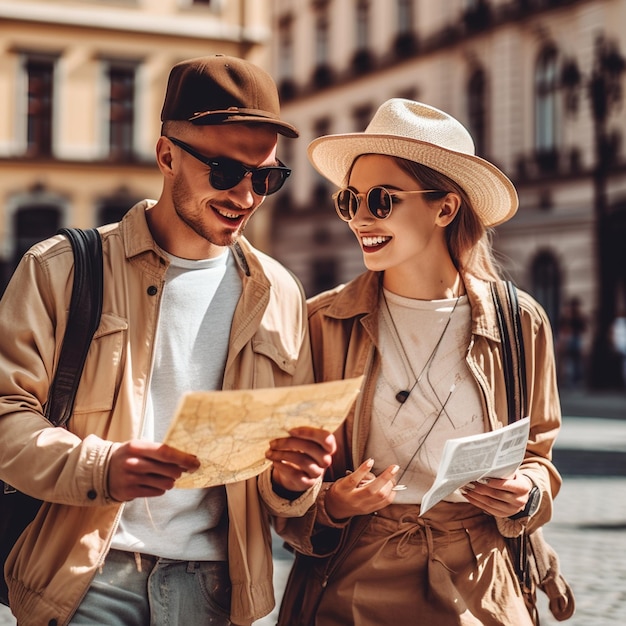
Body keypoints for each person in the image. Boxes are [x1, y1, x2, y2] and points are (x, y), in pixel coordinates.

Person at [0, 55, 337, 626]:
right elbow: (6, 414)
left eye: (266, 178)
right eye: (225, 172)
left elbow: (279, 483)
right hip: (86, 578)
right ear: (166, 156)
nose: (246, 196)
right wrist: (100, 467)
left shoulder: (279, 291)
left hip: (215, 589)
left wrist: (292, 480)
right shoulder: (60, 267)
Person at [274, 99, 563, 626]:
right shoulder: (322, 322)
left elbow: (540, 455)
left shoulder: (520, 322)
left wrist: (525, 493)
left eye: (381, 200)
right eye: (350, 201)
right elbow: (284, 477)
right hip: (352, 580)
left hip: (483, 585)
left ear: (445, 208)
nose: (360, 218)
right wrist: (332, 503)